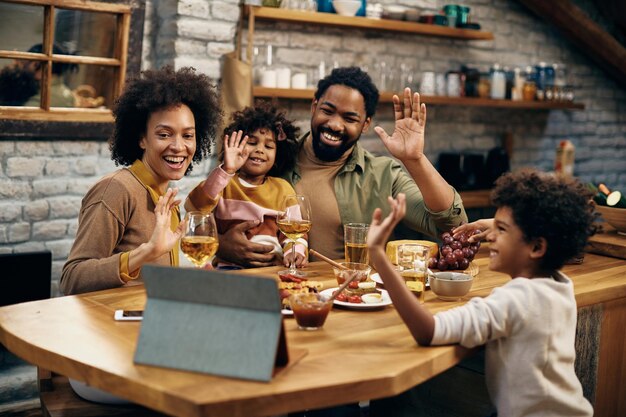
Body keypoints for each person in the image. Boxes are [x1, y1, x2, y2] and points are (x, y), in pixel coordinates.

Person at [367, 168, 596, 417]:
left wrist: (378, 254)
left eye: (502, 230)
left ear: (537, 246)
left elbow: (428, 332)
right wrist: (499, 225)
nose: (490, 238)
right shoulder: (559, 285)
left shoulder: (515, 299)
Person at [218, 66, 467, 267]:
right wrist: (221, 244)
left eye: (350, 118)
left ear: (366, 124)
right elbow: (210, 209)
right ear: (314, 107)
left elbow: (453, 225)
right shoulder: (271, 159)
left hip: (351, 297)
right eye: (328, 111)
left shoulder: (382, 174)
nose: (335, 125)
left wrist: (415, 159)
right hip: (276, 291)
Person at [60, 66, 221, 295]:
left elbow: (149, 282)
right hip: (113, 328)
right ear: (142, 138)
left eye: (187, 135)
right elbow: (72, 279)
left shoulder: (164, 195)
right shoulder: (115, 190)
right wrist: (145, 252)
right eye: (164, 134)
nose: (178, 146)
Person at [185, 102, 307, 269]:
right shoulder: (224, 183)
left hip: (272, 269)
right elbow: (196, 206)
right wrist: (227, 170)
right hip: (229, 270)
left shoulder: (283, 188)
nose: (259, 149)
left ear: (279, 154)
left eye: (269, 146)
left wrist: (295, 252)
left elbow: (296, 234)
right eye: (252, 142)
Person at [20, 43, 77, 107]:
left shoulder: (38, 102)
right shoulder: (67, 94)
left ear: (36, 64)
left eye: (25, 64)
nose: (23, 67)